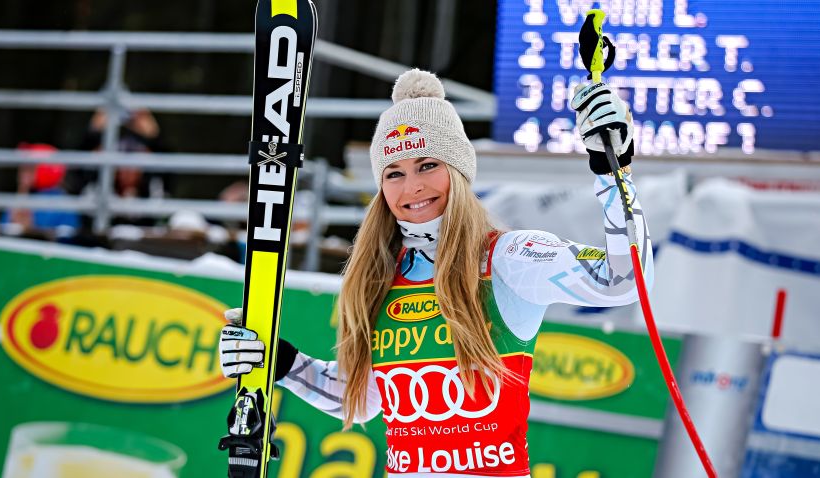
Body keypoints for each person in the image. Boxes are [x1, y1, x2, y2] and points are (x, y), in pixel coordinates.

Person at [219, 69, 652, 477]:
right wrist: (283, 363)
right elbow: (362, 397)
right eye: (394, 174)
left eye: (428, 165)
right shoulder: (379, 277)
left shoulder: (509, 257)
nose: (412, 188)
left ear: (459, 172)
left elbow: (625, 281)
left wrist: (613, 174)